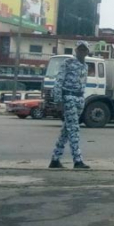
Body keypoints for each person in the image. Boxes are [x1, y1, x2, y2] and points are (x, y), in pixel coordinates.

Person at [49, 41, 91, 169]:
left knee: (66, 131)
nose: (82, 52)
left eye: (84, 50)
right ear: (76, 50)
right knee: (74, 129)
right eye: (80, 49)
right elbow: (59, 81)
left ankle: (55, 159)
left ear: (87, 52)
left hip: (79, 98)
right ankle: (77, 160)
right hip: (68, 97)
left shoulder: (85, 66)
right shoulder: (68, 63)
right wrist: (58, 101)